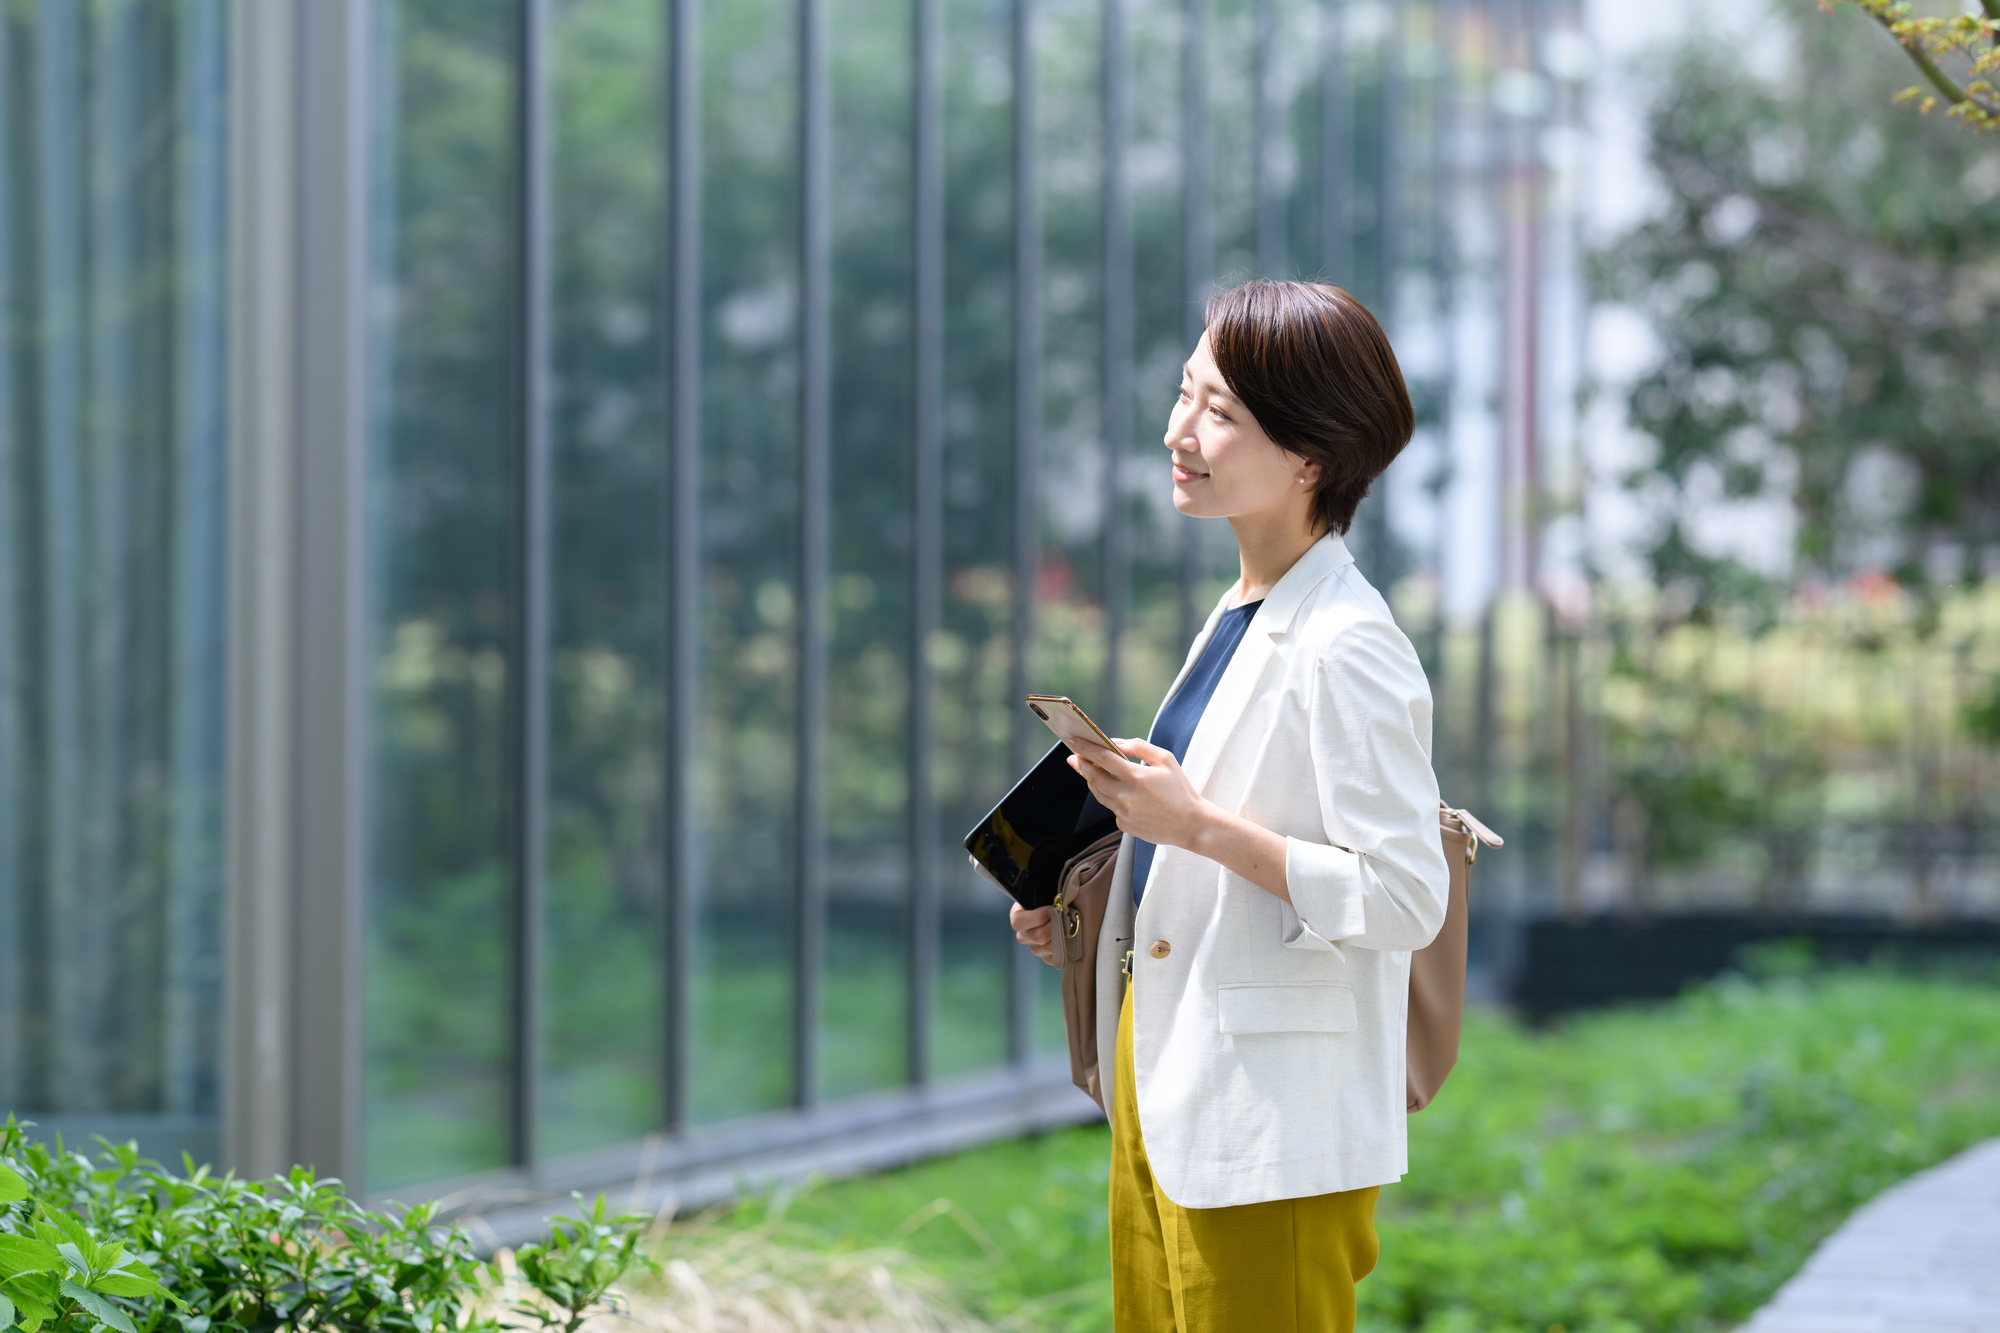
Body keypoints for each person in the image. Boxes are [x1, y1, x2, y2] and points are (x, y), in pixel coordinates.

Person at [1009, 280, 1451, 1333]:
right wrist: (1082, 911)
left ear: (1308, 456)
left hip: (1270, 1124)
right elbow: (1202, 852)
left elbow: (1403, 897)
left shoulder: (1347, 642)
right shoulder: (1241, 613)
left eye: (1218, 413)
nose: (1177, 431)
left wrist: (1195, 824)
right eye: (1184, 393)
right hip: (1172, 1082)